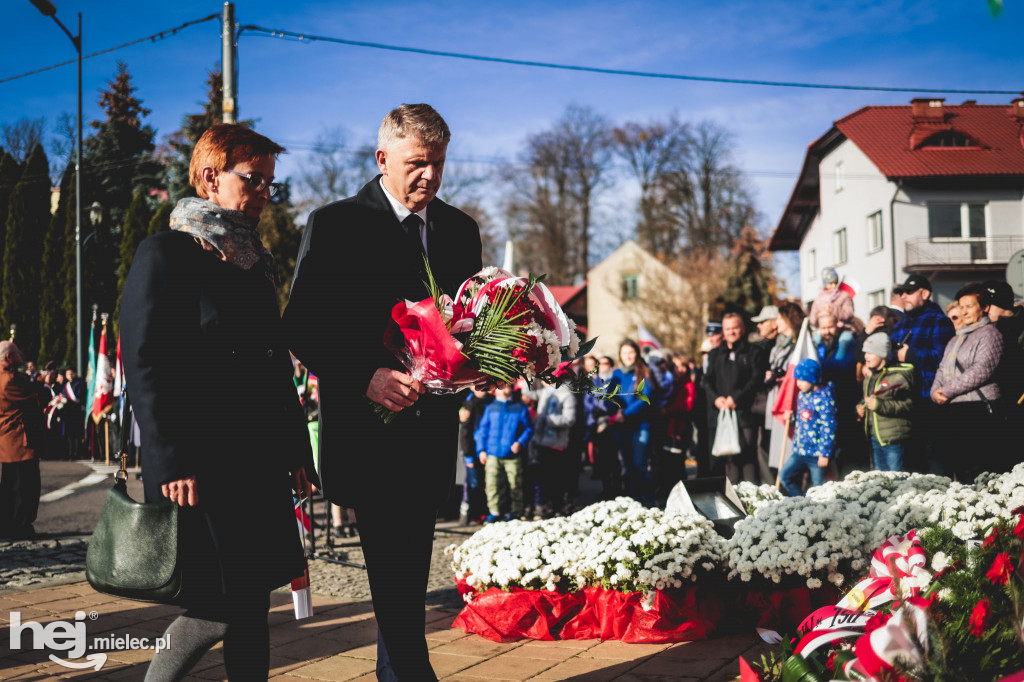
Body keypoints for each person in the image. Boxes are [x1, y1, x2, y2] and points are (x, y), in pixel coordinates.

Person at [284, 104, 481, 681]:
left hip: (433, 431)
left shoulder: (460, 230)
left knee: (408, 570)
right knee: (394, 574)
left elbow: (468, 328)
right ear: (382, 159)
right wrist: (362, 372)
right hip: (369, 430)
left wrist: (485, 364)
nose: (430, 176)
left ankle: (394, 672)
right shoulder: (336, 223)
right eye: (417, 163)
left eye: (439, 163)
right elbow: (300, 325)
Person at [120, 124, 315, 681]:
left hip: (256, 463)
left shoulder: (253, 263)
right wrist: (170, 459)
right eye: (253, 180)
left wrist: (296, 451)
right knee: (214, 608)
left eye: (270, 184)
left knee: (253, 604)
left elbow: (274, 367)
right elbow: (145, 362)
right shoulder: (167, 253)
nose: (263, 195)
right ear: (210, 178)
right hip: (202, 465)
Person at [930, 283, 1004, 481]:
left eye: (969, 306)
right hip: (955, 410)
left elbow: (982, 370)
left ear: (985, 307)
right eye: (961, 307)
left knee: (981, 469)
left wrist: (946, 390)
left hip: (978, 410)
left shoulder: (990, 334)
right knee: (960, 466)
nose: (964, 312)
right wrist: (935, 390)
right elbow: (942, 367)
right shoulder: (956, 339)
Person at [890, 274, 956, 474]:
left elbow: (943, 360)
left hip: (928, 402)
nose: (905, 296)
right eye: (903, 292)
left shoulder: (939, 321)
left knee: (934, 460)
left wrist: (911, 355)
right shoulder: (900, 324)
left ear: (925, 293)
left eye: (910, 292)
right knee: (911, 463)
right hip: (904, 403)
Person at [703, 313, 764, 484]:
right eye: (727, 329)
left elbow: (756, 378)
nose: (731, 332)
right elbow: (706, 381)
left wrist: (736, 398)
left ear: (742, 329)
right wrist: (717, 399)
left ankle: (753, 496)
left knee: (747, 455)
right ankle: (734, 497)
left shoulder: (754, 352)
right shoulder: (715, 354)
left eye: (735, 328)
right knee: (729, 457)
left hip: (745, 413)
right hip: (723, 413)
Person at [0, 342, 47, 540]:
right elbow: (34, 397)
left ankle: (11, 525)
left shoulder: (10, 375)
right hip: (19, 439)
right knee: (25, 486)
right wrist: (43, 385)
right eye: (17, 351)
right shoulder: (8, 379)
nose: (20, 353)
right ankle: (19, 526)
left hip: (12, 440)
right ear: (9, 357)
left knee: (12, 485)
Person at [856, 333, 914, 472]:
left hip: (893, 438)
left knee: (897, 478)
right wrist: (860, 406)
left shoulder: (898, 376)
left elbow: (908, 405)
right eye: (865, 353)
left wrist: (879, 406)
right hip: (875, 436)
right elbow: (868, 398)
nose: (866, 357)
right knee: (879, 479)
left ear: (881, 353)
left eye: (870, 353)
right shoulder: (870, 375)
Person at [474, 384, 532, 522]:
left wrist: (520, 442)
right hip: (492, 453)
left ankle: (516, 512)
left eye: (508, 386)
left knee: (515, 484)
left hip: (512, 455)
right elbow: (482, 430)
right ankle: (494, 512)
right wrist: (481, 450)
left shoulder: (519, 408)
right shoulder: (491, 408)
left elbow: (529, 428)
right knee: (492, 484)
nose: (506, 389)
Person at [779, 359, 835, 497]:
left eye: (802, 380)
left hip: (816, 454)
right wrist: (791, 419)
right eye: (797, 380)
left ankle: (819, 510)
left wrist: (824, 453)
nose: (798, 384)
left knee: (819, 488)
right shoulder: (802, 395)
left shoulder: (824, 398)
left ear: (813, 379)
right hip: (800, 450)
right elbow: (803, 420)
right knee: (785, 476)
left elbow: (828, 427)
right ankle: (802, 502)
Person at [763, 302, 806, 480]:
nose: (776, 323)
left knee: (788, 447)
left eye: (780, 319)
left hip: (791, 400)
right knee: (777, 448)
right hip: (777, 396)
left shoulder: (799, 345)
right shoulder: (777, 346)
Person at [609, 340, 654, 505]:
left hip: (640, 427)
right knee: (627, 467)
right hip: (621, 427)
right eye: (624, 353)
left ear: (637, 353)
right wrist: (616, 411)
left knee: (639, 465)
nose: (627, 356)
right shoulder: (616, 374)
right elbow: (609, 397)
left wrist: (626, 413)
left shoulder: (644, 371)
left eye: (631, 352)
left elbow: (645, 398)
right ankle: (635, 503)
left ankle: (649, 502)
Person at [585, 355, 620, 499]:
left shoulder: (615, 382)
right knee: (602, 458)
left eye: (606, 363)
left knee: (614, 459)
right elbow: (587, 401)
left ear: (611, 365)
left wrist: (607, 410)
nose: (603, 366)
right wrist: (594, 410)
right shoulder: (593, 382)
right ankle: (606, 489)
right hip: (597, 423)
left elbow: (617, 400)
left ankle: (617, 488)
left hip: (612, 423)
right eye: (601, 364)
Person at [750, 305, 778, 484]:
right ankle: (771, 487)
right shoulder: (759, 347)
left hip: (776, 407)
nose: (759, 326)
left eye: (763, 322)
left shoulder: (784, 345)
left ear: (776, 322)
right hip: (762, 409)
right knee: (763, 448)